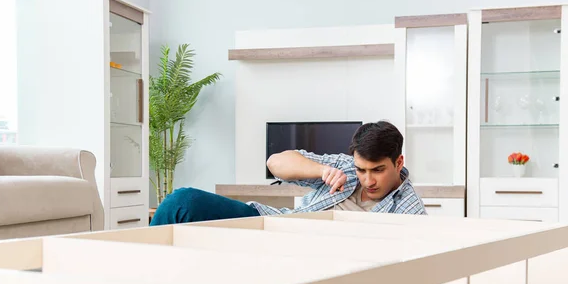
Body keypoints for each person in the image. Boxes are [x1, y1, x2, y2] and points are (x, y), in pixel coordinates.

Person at [150, 120, 426, 226]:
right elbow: (275, 163)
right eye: (361, 169)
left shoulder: (409, 207)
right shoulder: (342, 167)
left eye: (377, 170)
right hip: (274, 226)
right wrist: (321, 171)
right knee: (181, 202)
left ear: (398, 162)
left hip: (315, 255)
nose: (367, 180)